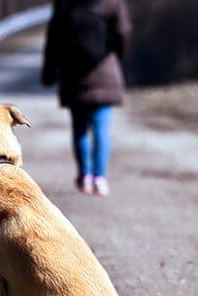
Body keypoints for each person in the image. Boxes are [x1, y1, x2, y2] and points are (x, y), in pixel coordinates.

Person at [42, 0, 131, 196]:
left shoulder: (64, 4)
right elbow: (123, 32)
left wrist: (49, 71)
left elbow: (53, 38)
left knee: (80, 128)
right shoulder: (112, 3)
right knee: (101, 128)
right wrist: (117, 58)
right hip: (104, 69)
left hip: (74, 75)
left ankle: (85, 177)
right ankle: (99, 177)